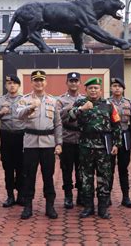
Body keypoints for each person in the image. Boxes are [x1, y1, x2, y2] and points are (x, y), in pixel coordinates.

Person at [69, 77, 121, 219]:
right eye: (90, 88)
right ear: (85, 90)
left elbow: (117, 125)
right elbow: (70, 117)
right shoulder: (80, 103)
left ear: (100, 90)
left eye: (96, 88)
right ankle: (88, 207)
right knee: (86, 177)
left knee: (104, 177)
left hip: (104, 147)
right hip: (85, 146)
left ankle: (103, 208)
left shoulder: (108, 105)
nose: (93, 90)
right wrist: (81, 109)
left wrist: (116, 144)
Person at [16, 70, 63, 220]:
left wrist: (59, 143)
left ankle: (50, 206)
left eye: (41, 80)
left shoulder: (53, 101)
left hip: (48, 143)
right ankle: (28, 206)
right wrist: (30, 107)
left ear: (45, 82)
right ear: (32, 82)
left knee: (48, 176)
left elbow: (58, 124)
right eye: (36, 80)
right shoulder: (24, 99)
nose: (39, 83)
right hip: (30, 142)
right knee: (29, 176)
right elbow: (18, 115)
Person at [0, 74, 25, 208]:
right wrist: (1, 112)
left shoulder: (25, 99)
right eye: (9, 83)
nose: (12, 85)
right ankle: (10, 195)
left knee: (21, 167)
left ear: (18, 85)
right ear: (6, 85)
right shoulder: (0, 100)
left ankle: (21, 195)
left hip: (21, 136)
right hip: (6, 136)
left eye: (14, 83)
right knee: (8, 167)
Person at [108, 77, 131, 208]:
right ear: (111, 88)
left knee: (123, 168)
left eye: (119, 86)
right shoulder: (106, 103)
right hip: (109, 138)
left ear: (123, 89)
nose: (117, 88)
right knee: (108, 169)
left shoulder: (129, 104)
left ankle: (126, 197)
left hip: (125, 136)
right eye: (114, 86)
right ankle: (106, 196)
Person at [56, 72, 84, 209]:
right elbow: (57, 117)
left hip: (82, 139)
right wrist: (71, 108)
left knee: (81, 169)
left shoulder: (85, 99)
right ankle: (68, 196)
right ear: (67, 83)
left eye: (76, 81)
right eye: (71, 81)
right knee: (66, 169)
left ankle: (80, 195)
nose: (73, 83)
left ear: (80, 83)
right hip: (66, 138)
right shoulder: (60, 100)